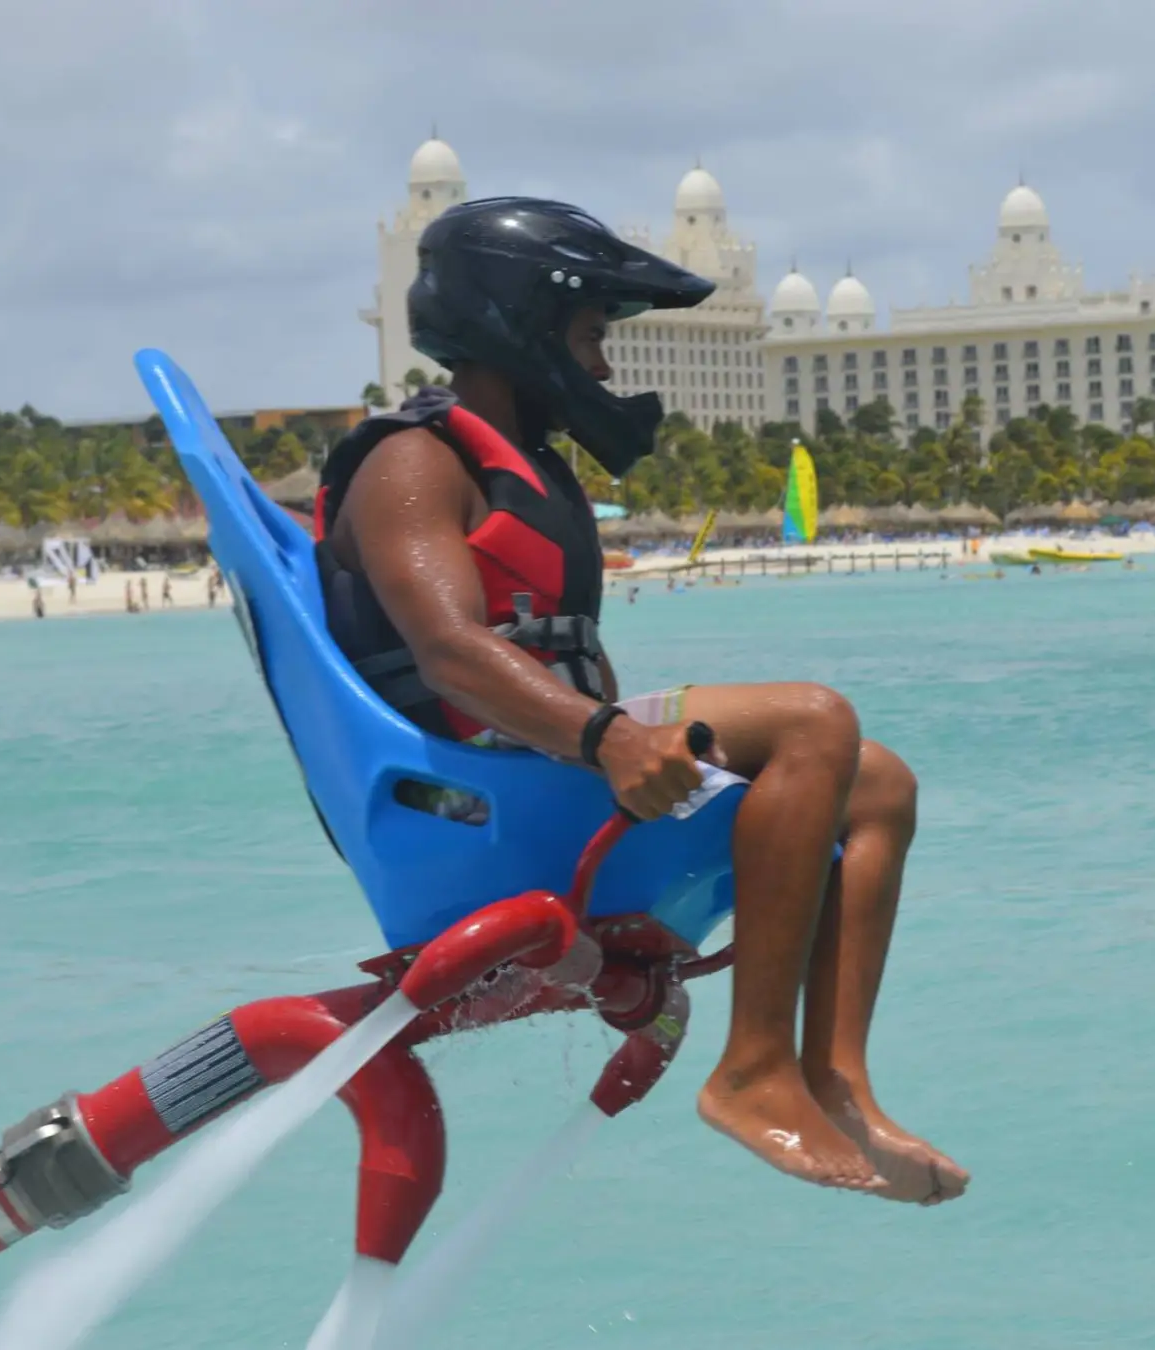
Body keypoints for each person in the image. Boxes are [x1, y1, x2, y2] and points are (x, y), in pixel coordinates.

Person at [316, 198, 966, 1204]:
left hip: (541, 760)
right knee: (814, 720)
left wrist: (607, 734)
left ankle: (834, 1080)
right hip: (481, 790)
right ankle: (751, 1070)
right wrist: (610, 738)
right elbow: (448, 652)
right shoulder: (414, 461)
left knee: (877, 785)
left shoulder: (524, 465)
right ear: (520, 327)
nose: (605, 365)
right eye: (589, 337)